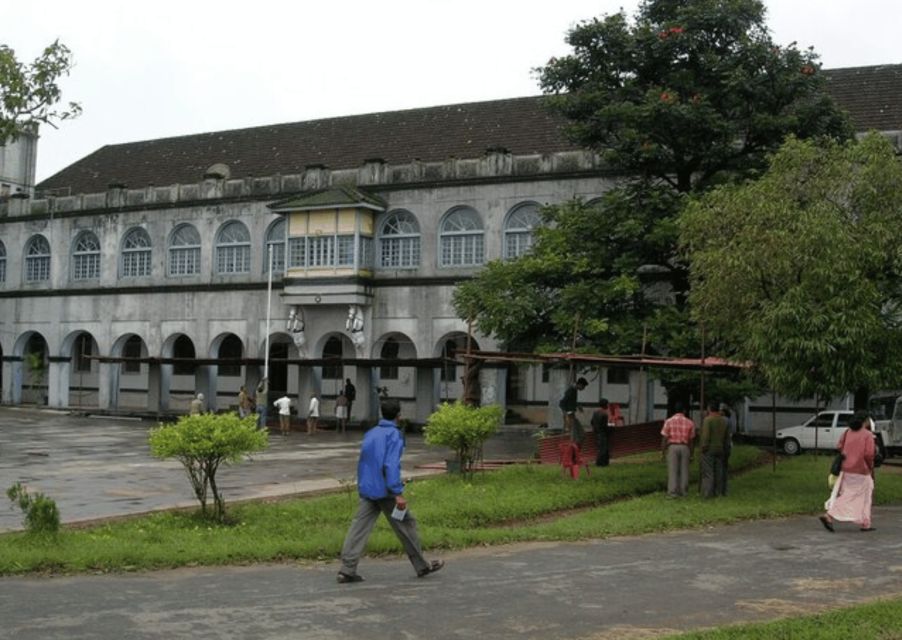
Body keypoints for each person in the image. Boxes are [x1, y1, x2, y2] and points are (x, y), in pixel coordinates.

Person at [337, 398, 444, 583]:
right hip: (386, 490)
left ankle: (347, 569)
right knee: (406, 524)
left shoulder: (371, 433)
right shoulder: (394, 435)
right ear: (398, 415)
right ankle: (422, 565)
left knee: (358, 528)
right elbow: (390, 465)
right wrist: (397, 492)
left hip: (368, 488)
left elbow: (364, 462)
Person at [820, 412, 877, 533]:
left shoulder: (847, 432)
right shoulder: (868, 435)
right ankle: (829, 515)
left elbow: (839, 446)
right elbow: (869, 454)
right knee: (860, 495)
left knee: (852, 493)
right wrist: (870, 466)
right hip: (862, 469)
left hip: (846, 468)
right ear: (865, 421)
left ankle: (865, 522)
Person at [660, 402, 696, 497]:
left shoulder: (668, 421)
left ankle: (673, 492)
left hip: (672, 447)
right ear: (684, 410)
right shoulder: (690, 422)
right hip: (685, 447)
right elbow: (691, 440)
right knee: (684, 470)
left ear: (674, 410)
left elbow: (664, 438)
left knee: (673, 470)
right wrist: (692, 454)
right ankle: (684, 491)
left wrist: (663, 452)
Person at [698, 402, 729, 498]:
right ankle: (718, 492)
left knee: (708, 472)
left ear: (709, 409)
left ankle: (708, 493)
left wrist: (703, 447)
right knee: (718, 471)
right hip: (720, 448)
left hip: (709, 449)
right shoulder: (724, 421)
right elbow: (727, 437)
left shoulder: (708, 420)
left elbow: (706, 435)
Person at [559, 377, 588, 445]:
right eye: (583, 386)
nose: (583, 388)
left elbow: (572, 402)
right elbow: (562, 403)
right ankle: (572, 451)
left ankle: (574, 450)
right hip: (569, 416)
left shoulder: (574, 390)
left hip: (572, 415)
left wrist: (578, 405)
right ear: (580, 384)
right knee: (574, 435)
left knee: (581, 435)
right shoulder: (571, 390)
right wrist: (565, 414)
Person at [590, 398, 611, 467]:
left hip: (597, 433)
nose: (608, 405)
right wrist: (612, 425)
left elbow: (592, 422)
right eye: (607, 404)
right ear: (605, 405)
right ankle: (600, 463)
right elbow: (606, 426)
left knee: (601, 448)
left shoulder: (595, 412)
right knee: (603, 449)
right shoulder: (604, 414)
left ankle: (603, 463)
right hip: (603, 433)